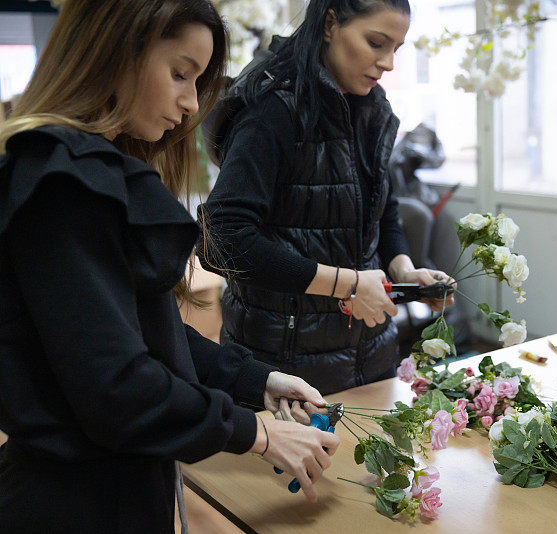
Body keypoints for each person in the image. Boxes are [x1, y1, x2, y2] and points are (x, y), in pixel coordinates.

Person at [0, 1, 338, 532]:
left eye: (197, 81)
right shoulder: (64, 185)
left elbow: (141, 334)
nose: (187, 103)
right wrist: (258, 434)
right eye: (179, 74)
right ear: (114, 49)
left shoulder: (90, 174)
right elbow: (118, 385)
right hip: (74, 506)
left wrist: (256, 379)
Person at [198, 0, 455, 396]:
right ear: (331, 24)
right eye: (376, 43)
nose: (388, 63)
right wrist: (348, 284)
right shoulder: (274, 109)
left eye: (396, 50)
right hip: (284, 374)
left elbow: (382, 210)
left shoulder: (372, 107)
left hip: (371, 356)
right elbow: (222, 240)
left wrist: (404, 272)